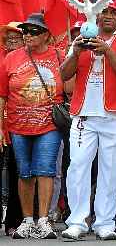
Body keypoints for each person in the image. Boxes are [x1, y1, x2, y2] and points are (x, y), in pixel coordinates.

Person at [60, 0, 116, 241]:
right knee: (77, 167)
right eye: (104, 12)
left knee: (112, 170)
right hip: (84, 115)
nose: (107, 16)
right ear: (97, 14)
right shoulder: (83, 36)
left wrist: (107, 51)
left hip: (114, 115)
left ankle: (104, 222)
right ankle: (77, 221)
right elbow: (64, 75)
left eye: (113, 12)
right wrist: (75, 52)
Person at [0, 14, 64, 239]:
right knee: (24, 172)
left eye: (34, 31)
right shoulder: (10, 58)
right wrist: (1, 126)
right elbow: (2, 95)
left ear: (46, 34)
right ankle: (27, 220)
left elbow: (71, 85)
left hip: (49, 125)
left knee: (45, 170)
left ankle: (43, 220)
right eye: (26, 31)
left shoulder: (58, 56)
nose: (28, 35)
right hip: (17, 125)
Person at [0, 22, 24, 236]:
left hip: (21, 125)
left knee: (19, 172)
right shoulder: (2, 61)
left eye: (17, 38)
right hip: (2, 125)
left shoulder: (28, 60)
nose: (12, 42)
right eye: (9, 39)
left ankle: (14, 221)